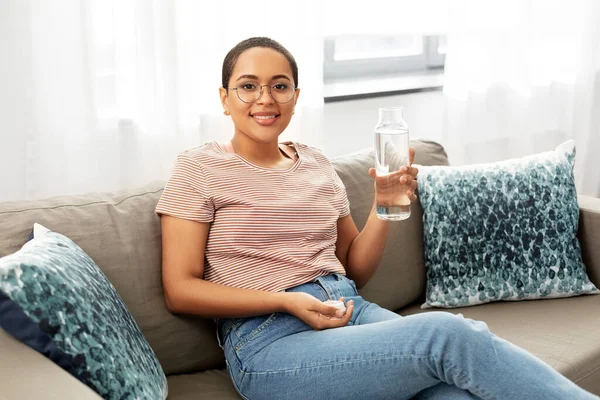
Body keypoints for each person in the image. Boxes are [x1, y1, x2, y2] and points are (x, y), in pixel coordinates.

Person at [155, 37, 598, 400]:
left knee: (456, 395)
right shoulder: (199, 167)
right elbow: (181, 290)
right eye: (248, 86)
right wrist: (285, 301)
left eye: (280, 85)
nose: (265, 99)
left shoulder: (315, 164)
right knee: (448, 336)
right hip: (267, 341)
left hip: (351, 310)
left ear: (295, 97)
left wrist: (384, 204)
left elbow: (355, 269)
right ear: (224, 98)